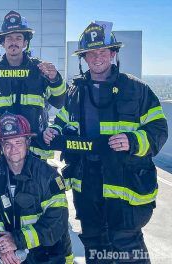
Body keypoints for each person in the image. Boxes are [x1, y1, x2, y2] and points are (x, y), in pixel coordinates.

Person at [44, 22, 168, 263]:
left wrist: (133, 140)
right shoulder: (75, 92)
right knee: (94, 245)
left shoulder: (137, 90)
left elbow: (159, 129)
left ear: (113, 54)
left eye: (103, 52)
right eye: (92, 53)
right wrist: (53, 131)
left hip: (126, 186)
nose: (97, 57)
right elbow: (61, 120)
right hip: (87, 187)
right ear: (85, 58)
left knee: (127, 247)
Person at [0, 113, 72, 264]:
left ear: (27, 142)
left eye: (18, 142)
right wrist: (2, 245)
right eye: (8, 144)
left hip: (39, 245)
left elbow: (56, 221)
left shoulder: (48, 176)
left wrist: (17, 240)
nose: (13, 149)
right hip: (5, 244)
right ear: (1, 146)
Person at [0, 10, 66, 160]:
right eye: (9, 38)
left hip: (35, 147)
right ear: (2, 42)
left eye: (18, 38)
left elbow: (59, 101)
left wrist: (55, 79)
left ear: (25, 42)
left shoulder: (39, 70)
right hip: (3, 146)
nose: (13, 42)